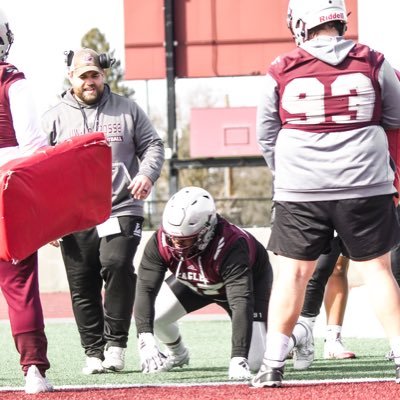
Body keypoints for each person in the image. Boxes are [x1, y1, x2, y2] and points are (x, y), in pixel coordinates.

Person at [252, 0, 400, 388]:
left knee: (293, 274)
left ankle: (272, 365)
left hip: (301, 188)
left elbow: (266, 135)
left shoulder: (280, 69)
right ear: (338, 20)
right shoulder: (373, 60)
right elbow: (396, 120)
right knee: (378, 271)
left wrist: (286, 174)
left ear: (301, 25)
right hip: (365, 183)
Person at [41, 47, 165, 375]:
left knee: (117, 264)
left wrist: (146, 174)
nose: (89, 82)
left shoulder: (127, 109)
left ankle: (116, 345)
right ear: (71, 78)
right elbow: (41, 170)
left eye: (95, 75)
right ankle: (93, 351)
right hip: (73, 214)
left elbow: (153, 144)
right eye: (83, 76)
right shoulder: (54, 117)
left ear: (103, 75)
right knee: (82, 283)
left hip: (121, 205)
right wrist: (49, 219)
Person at [133, 186, 273, 380]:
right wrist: (145, 337)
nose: (175, 245)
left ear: (207, 229)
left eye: (184, 241)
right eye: (172, 238)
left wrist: (238, 358)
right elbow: (145, 288)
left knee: (256, 362)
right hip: (196, 281)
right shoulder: (160, 241)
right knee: (155, 319)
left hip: (245, 287)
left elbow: (241, 302)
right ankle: (177, 353)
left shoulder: (231, 244)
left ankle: (295, 336)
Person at [0, 9, 53, 394]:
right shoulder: (9, 78)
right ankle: (33, 369)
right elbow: (34, 143)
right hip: (7, 187)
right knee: (20, 284)